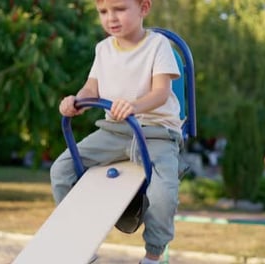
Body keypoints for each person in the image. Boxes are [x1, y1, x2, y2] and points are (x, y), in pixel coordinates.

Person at [50, 0, 182, 263]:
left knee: (164, 191)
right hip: (114, 132)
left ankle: (153, 255)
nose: (111, 17)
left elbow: (161, 92)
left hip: (155, 132)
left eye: (120, 9)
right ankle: (79, 245)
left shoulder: (158, 46)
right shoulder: (103, 49)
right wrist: (76, 101)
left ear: (144, 8)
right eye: (103, 11)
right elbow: (91, 89)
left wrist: (134, 106)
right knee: (60, 170)